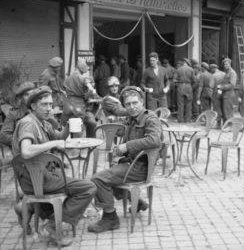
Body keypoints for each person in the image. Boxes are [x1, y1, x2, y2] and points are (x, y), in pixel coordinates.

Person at [12, 86, 96, 246]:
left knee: (71, 186)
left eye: (50, 104)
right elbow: (26, 151)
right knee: (88, 187)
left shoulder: (42, 122)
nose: (49, 108)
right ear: (33, 106)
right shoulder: (28, 124)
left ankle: (31, 208)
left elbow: (59, 137)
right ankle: (51, 225)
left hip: (40, 176)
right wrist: (54, 142)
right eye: (44, 104)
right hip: (36, 179)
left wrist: (68, 126)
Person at [88, 86, 162, 233]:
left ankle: (110, 218)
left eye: (135, 103)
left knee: (97, 179)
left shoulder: (150, 118)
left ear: (142, 102)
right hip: (132, 163)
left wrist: (126, 146)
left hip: (142, 167)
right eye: (128, 104)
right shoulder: (131, 119)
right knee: (109, 174)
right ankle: (138, 202)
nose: (132, 107)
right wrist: (120, 153)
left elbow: (155, 140)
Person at [63, 59, 99, 137]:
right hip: (79, 107)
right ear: (81, 67)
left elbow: (64, 91)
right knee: (78, 130)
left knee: (91, 123)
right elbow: (90, 88)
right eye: (86, 66)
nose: (88, 68)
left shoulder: (67, 79)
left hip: (68, 106)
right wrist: (91, 93)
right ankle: (89, 145)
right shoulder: (83, 78)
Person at [0, 81, 35, 147]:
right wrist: (22, 142)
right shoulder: (13, 115)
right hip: (21, 153)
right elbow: (3, 136)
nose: (30, 97)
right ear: (20, 98)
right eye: (26, 95)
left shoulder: (39, 112)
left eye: (32, 94)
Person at [174, 58, 195, 123]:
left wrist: (178, 84)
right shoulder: (191, 69)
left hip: (180, 86)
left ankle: (180, 119)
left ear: (183, 63)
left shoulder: (178, 69)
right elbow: (194, 80)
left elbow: (174, 80)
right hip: (188, 86)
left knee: (180, 104)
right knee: (189, 104)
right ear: (188, 63)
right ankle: (188, 119)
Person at [218, 58, 237, 123]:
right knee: (225, 110)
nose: (225, 65)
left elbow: (232, 84)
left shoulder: (232, 73)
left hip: (229, 94)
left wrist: (222, 87)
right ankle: (226, 124)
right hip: (225, 94)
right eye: (224, 64)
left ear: (230, 64)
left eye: (226, 64)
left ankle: (230, 125)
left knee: (228, 110)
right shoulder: (227, 72)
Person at [210, 64, 226, 129]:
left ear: (213, 69)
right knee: (224, 108)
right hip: (224, 92)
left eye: (211, 69)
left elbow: (211, 85)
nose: (210, 71)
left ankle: (218, 124)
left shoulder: (214, 75)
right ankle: (225, 123)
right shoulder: (224, 74)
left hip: (216, 93)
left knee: (217, 108)